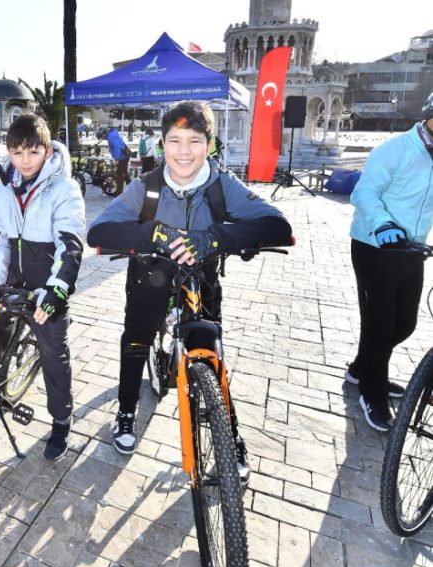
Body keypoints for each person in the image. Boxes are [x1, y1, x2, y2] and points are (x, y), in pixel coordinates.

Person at [87, 100, 292, 482]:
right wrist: (153, 234)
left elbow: (277, 225)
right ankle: (127, 409)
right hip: (150, 274)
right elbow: (97, 232)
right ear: (161, 144)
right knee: (136, 338)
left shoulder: (221, 185)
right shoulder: (144, 188)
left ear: (209, 144)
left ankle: (229, 435)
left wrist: (215, 237)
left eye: (194, 141)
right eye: (174, 140)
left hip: (201, 276)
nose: (184, 151)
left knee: (211, 349)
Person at [0, 113, 85, 461]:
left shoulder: (64, 188)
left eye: (32, 152)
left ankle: (61, 420)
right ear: (9, 152)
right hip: (12, 274)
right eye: (16, 152)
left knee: (53, 356)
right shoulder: (5, 186)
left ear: (47, 150)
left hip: (45, 284)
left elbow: (70, 244)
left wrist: (57, 290)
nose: (24, 161)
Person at [346, 92, 433, 431]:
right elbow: (363, 192)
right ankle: (372, 392)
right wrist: (383, 224)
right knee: (380, 326)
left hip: (412, 249)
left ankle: (361, 368)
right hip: (374, 246)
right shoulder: (395, 150)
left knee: (405, 324)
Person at [105, 125, 131, 194]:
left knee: (120, 174)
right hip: (124, 154)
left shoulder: (110, 137)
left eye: (100, 137)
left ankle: (119, 193)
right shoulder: (111, 134)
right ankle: (131, 185)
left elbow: (117, 147)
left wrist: (116, 159)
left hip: (123, 156)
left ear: (103, 134)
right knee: (123, 171)